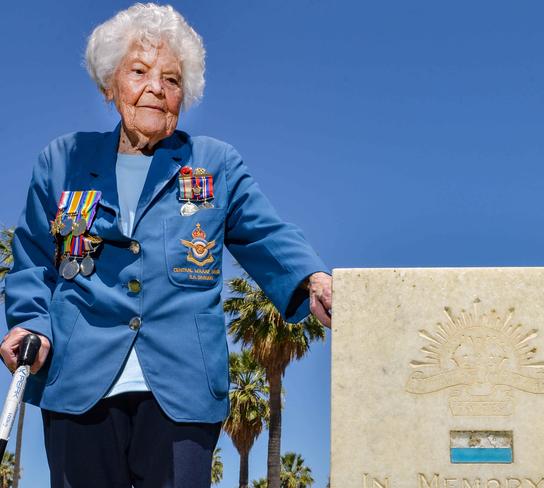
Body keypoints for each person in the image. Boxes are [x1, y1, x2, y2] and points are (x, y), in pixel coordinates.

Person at [0, 4, 332, 487]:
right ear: (110, 83)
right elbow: (32, 257)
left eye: (172, 79)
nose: (156, 87)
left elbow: (265, 232)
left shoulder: (215, 164)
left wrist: (311, 277)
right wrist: (30, 323)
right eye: (139, 72)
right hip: (78, 382)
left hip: (182, 386)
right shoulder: (63, 160)